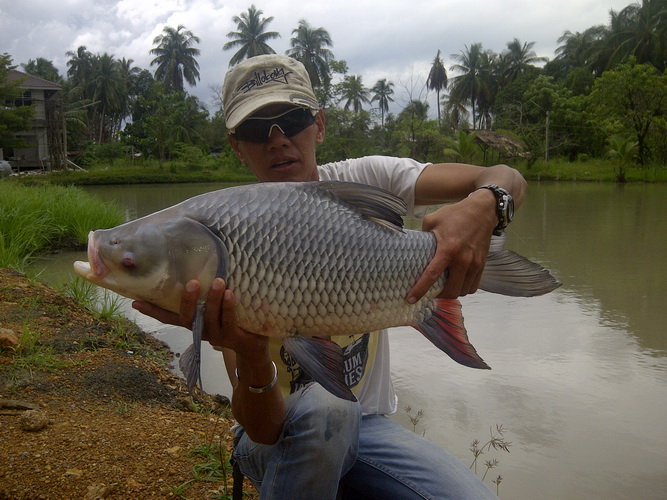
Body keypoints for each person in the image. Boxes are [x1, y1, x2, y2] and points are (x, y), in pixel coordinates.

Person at [134, 54, 526, 499]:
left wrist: (484, 205)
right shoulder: (227, 233)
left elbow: (506, 176)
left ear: (318, 125)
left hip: (370, 427)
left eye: (292, 118)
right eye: (257, 130)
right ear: (237, 146)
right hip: (276, 438)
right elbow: (262, 428)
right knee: (327, 407)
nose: (278, 139)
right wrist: (249, 350)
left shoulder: (372, 178)